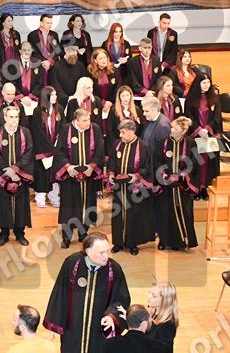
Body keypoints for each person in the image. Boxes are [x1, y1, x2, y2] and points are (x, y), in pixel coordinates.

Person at [43, 232, 131, 353]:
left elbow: (121, 299)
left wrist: (112, 315)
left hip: (99, 331)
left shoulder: (114, 269)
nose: (106, 256)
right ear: (88, 251)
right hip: (73, 328)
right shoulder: (72, 263)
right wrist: (56, 322)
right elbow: (60, 293)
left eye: (107, 251)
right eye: (101, 253)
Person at [54, 109, 104, 248]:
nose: (88, 123)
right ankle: (66, 236)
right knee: (69, 207)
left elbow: (100, 150)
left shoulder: (95, 129)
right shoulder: (66, 129)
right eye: (84, 120)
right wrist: (68, 167)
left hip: (88, 176)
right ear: (77, 120)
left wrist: (92, 167)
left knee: (87, 205)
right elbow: (59, 151)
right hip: (70, 176)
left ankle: (83, 234)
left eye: (89, 119)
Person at [105, 120, 155, 256]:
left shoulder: (143, 146)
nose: (120, 135)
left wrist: (136, 176)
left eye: (123, 132)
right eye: (120, 132)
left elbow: (147, 167)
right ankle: (118, 242)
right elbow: (111, 161)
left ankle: (133, 244)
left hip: (134, 188)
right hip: (119, 187)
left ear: (132, 131)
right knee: (118, 215)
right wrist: (111, 174)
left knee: (134, 215)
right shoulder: (117, 144)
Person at [153, 117, 198, 251]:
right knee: (164, 213)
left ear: (183, 131)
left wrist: (181, 176)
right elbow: (156, 161)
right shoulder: (163, 143)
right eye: (172, 127)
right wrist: (164, 175)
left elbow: (194, 163)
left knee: (184, 212)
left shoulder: (191, 144)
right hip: (165, 185)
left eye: (175, 128)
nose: (171, 130)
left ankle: (182, 241)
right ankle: (164, 241)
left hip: (182, 186)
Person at [0, 106, 33, 247]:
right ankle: (4, 234)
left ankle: (20, 233)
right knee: (3, 205)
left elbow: (28, 152)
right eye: (11, 117)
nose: (14, 120)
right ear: (5, 117)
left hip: (20, 176)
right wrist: (8, 172)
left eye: (16, 117)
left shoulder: (25, 133)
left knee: (21, 206)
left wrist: (16, 170)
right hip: (3, 176)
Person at [184, 73, 222, 200]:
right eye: (203, 83)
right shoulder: (190, 98)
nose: (206, 85)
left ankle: (205, 188)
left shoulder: (215, 98)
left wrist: (207, 129)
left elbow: (217, 117)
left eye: (208, 82)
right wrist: (199, 130)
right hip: (196, 136)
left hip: (209, 136)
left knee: (208, 164)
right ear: (198, 84)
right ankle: (195, 188)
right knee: (196, 162)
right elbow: (188, 116)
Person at [31, 86, 63, 208]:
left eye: (55, 94)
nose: (55, 97)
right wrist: (49, 147)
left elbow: (63, 127)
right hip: (42, 149)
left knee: (54, 175)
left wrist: (57, 143)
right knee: (42, 175)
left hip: (55, 148)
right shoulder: (37, 111)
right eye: (52, 95)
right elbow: (37, 132)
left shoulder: (59, 109)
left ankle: (54, 197)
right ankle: (40, 197)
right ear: (46, 96)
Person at [106, 86, 143, 154]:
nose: (126, 98)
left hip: (134, 144)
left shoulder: (137, 110)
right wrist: (117, 144)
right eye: (123, 96)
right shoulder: (114, 111)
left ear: (131, 96)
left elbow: (141, 128)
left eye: (127, 95)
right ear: (119, 97)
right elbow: (110, 130)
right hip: (119, 143)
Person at [144, 281, 179, 351]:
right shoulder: (152, 312)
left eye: (154, 296)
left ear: (165, 300)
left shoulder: (168, 326)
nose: (149, 296)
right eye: (149, 292)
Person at [27, 14, 62, 84]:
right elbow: (31, 54)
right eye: (47, 23)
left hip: (52, 67)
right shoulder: (32, 35)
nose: (50, 25)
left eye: (51, 23)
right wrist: (43, 63)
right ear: (41, 23)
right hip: (38, 67)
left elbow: (57, 52)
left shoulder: (54, 34)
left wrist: (49, 62)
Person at [10, 41, 44, 105]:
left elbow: (40, 83)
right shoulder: (13, 63)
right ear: (20, 51)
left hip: (33, 99)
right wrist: (21, 97)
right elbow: (11, 83)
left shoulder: (37, 63)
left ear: (32, 51)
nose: (27, 52)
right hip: (18, 99)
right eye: (24, 50)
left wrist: (30, 96)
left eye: (29, 50)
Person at [87, 48, 117, 113]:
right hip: (96, 104)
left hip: (112, 104)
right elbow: (90, 91)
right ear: (95, 60)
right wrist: (102, 102)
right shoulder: (90, 72)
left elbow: (117, 87)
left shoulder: (113, 69)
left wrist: (110, 102)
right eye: (100, 58)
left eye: (105, 57)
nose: (104, 60)